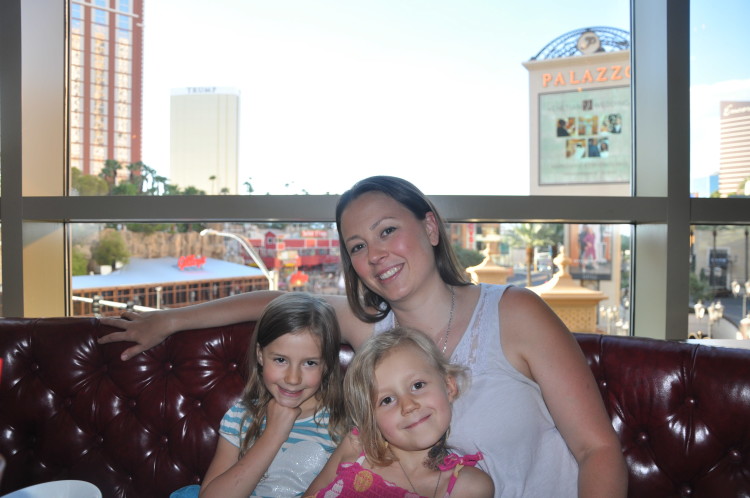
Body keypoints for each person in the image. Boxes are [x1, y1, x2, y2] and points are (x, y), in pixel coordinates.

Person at [100, 175, 628, 497]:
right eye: (356, 246)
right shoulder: (373, 327)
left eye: (386, 231)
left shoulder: (514, 313)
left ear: (429, 227)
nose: (374, 255)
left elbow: (597, 449)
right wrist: (169, 320)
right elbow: (277, 303)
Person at [171, 292, 347, 498]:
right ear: (260, 355)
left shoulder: (343, 425)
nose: (293, 378)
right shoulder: (240, 417)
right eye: (281, 360)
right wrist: (273, 435)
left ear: (327, 365)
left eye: (310, 363)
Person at [305, 326, 493, 497]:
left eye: (417, 385)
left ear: (449, 386)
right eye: (387, 400)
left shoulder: (469, 486)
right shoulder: (356, 446)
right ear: (371, 418)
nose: (408, 405)